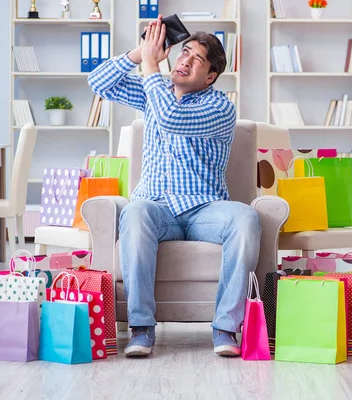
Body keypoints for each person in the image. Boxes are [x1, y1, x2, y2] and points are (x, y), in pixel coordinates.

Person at [88, 16, 261, 358]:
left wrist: (152, 66)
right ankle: (141, 329)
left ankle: (226, 328)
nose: (184, 60)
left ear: (211, 76)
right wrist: (142, 52)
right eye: (184, 53)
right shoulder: (155, 90)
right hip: (156, 207)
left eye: (196, 59)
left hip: (204, 210)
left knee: (246, 219)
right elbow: (98, 82)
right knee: (135, 212)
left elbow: (170, 118)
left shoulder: (219, 107)